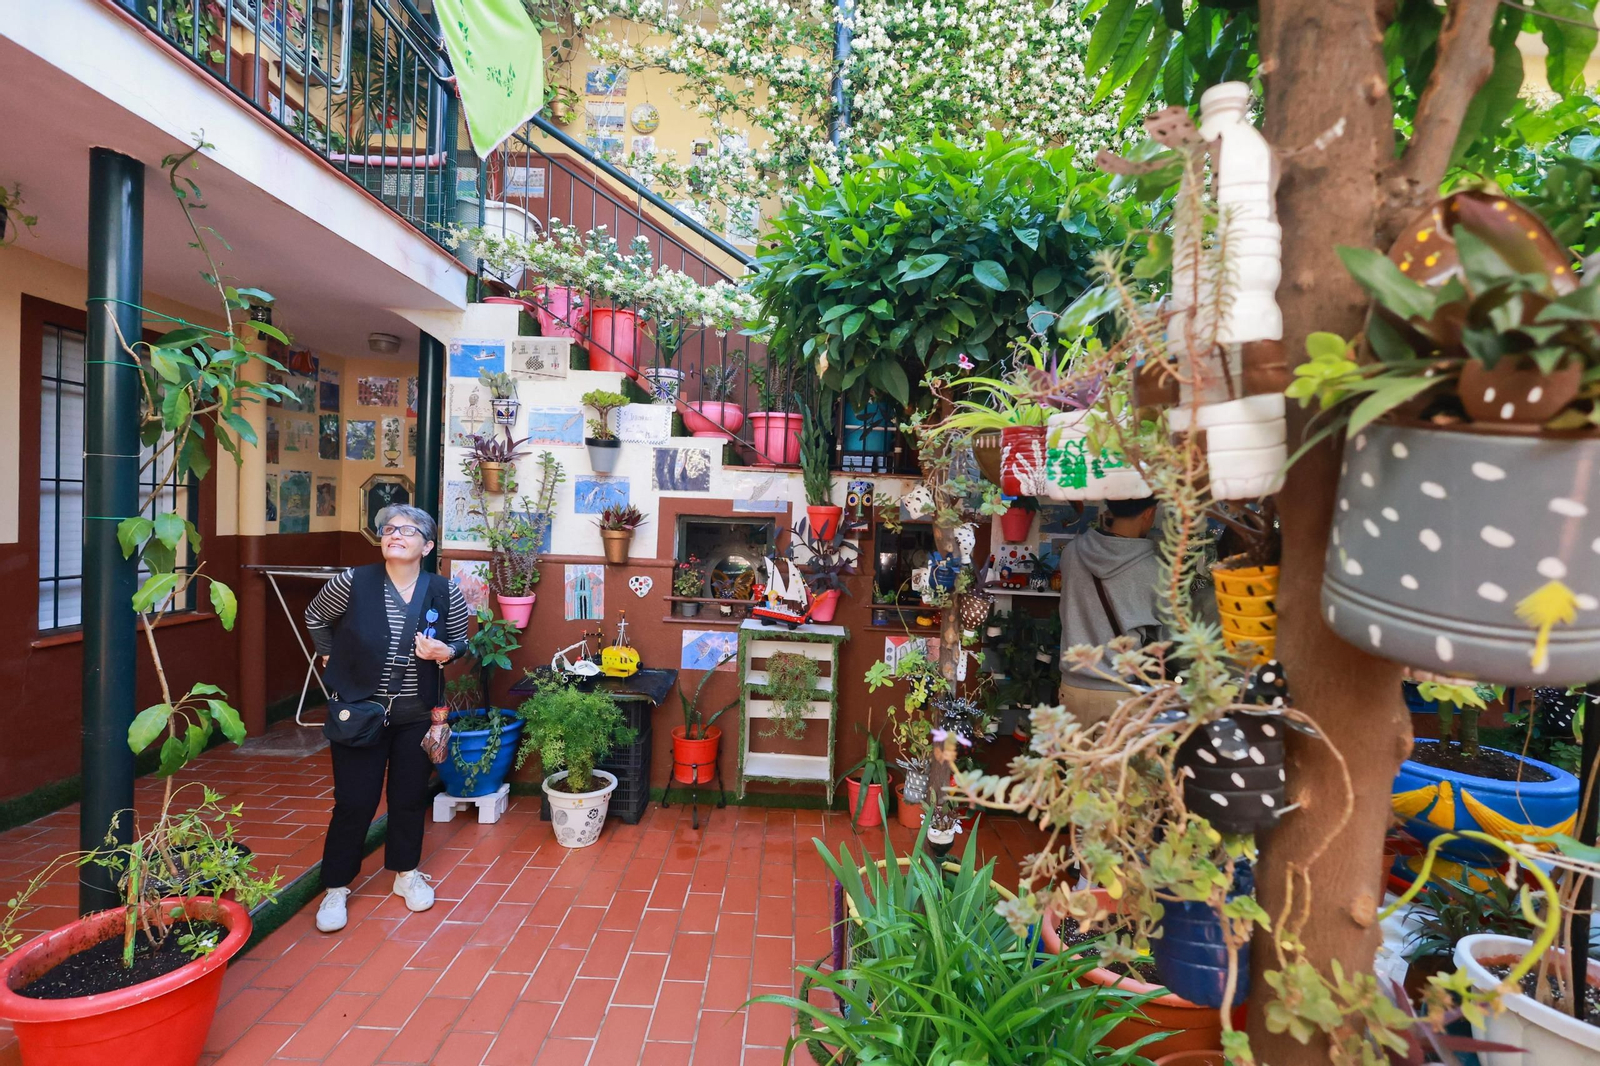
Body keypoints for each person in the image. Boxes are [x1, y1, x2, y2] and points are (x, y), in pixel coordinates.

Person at [305, 504, 469, 933]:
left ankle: (405, 873)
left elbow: (459, 641)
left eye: (408, 530)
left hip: (417, 712)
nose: (395, 534)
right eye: (389, 529)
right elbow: (316, 617)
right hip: (359, 709)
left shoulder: (442, 590)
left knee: (409, 797)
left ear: (427, 545)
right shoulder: (352, 582)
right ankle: (336, 887)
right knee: (354, 801)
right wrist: (329, 655)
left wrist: (445, 652)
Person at [1056, 496, 1166, 727]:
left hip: (1073, 689)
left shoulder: (1072, 553)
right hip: (1126, 694)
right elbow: (1168, 639)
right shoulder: (1156, 571)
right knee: (1123, 764)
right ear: (1149, 512)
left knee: (1076, 763)